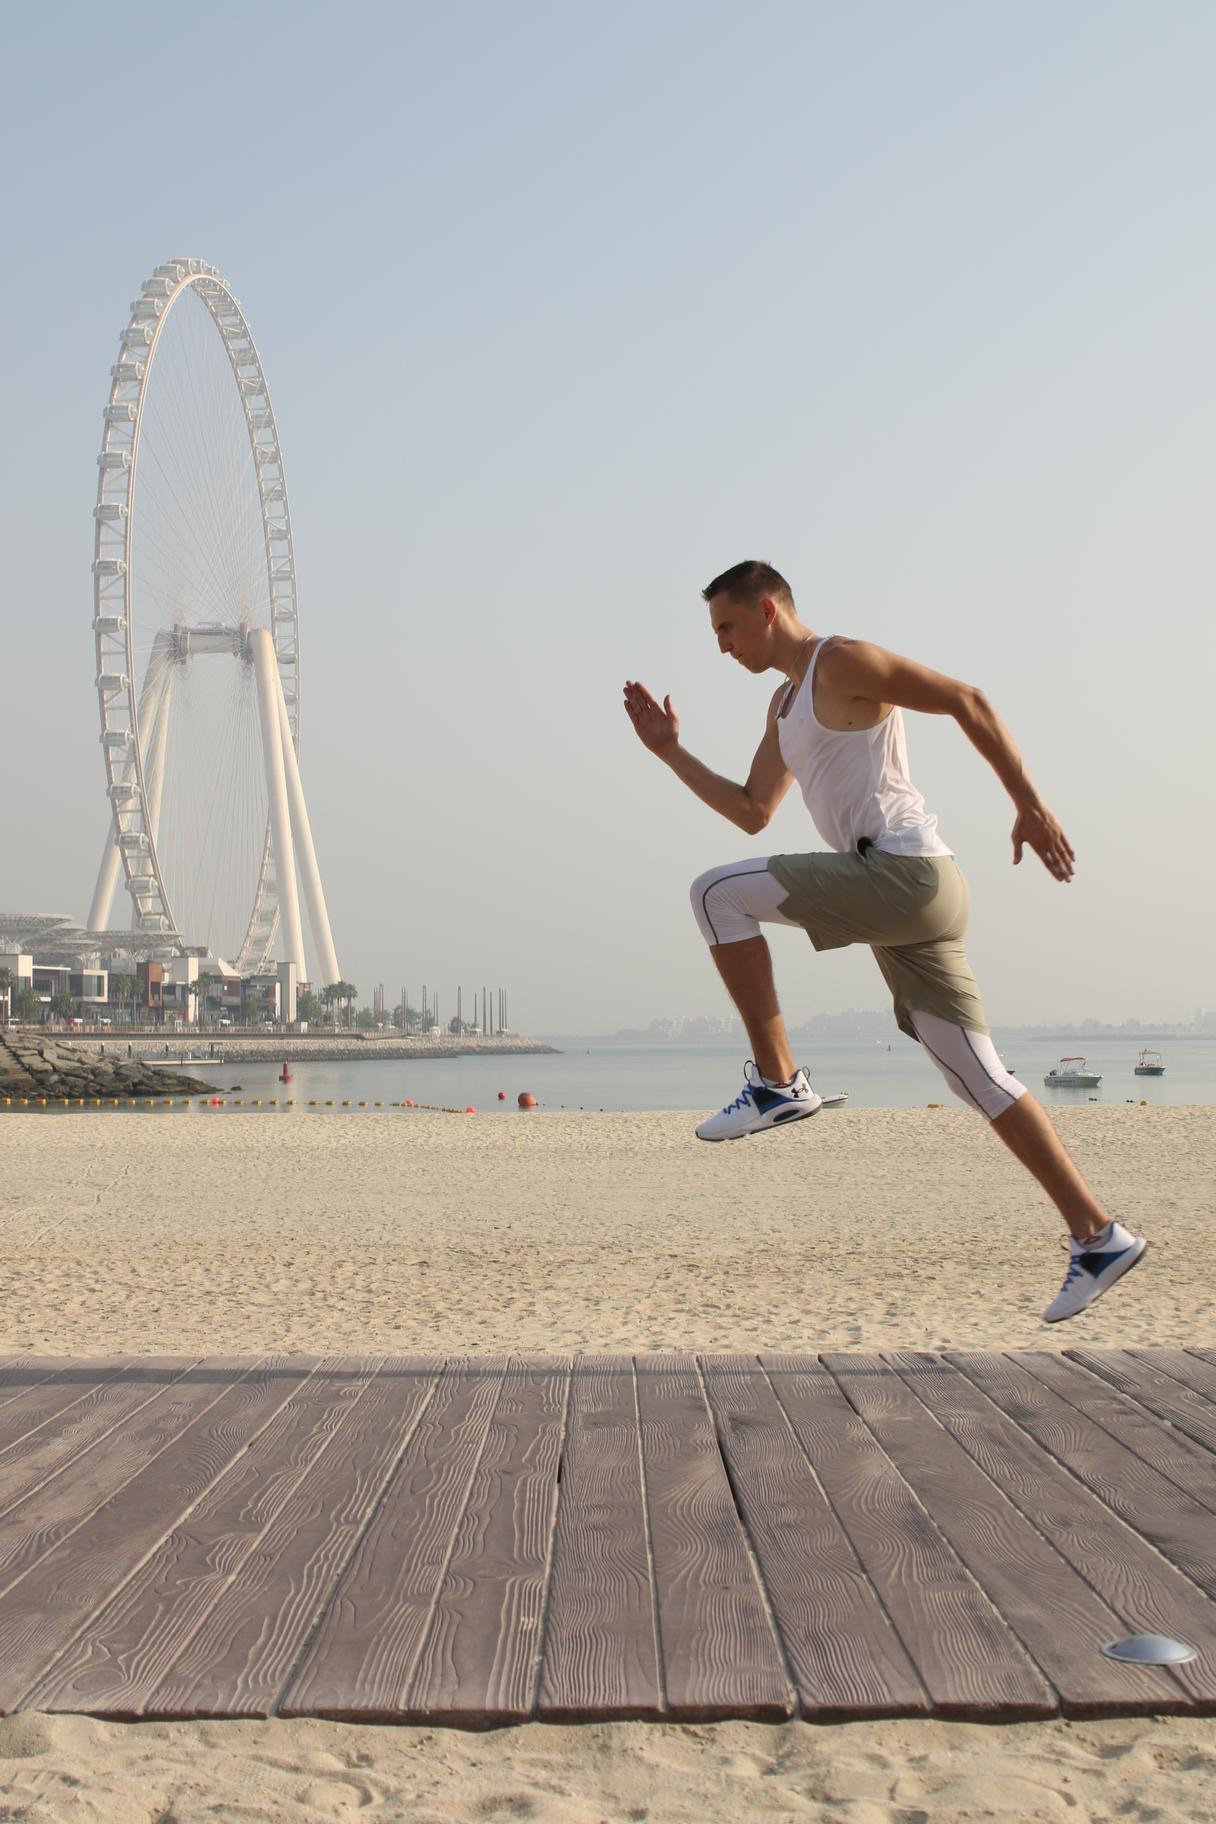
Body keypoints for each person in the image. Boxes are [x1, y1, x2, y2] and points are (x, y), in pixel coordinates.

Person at [623, 560, 1146, 1324]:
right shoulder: (784, 704)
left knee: (714, 895)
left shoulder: (840, 661)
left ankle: (779, 1082)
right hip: (899, 898)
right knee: (977, 1078)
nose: (722, 646)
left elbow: (967, 700)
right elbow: (750, 811)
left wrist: (1029, 805)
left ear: (768, 609)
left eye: (727, 627)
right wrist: (670, 752)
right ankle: (1098, 1235)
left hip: (904, 876)